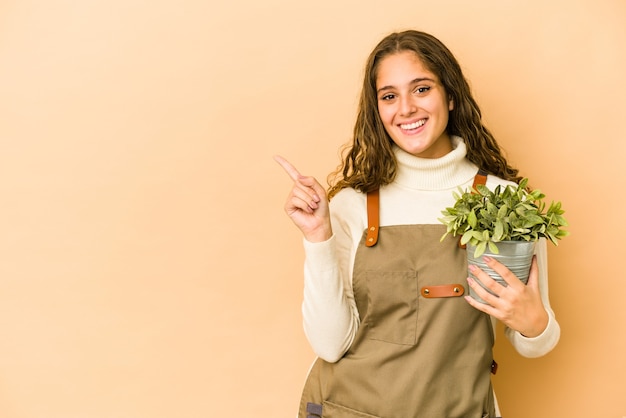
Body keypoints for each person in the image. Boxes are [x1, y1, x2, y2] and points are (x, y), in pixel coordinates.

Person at [275, 29, 560, 418]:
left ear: (451, 95)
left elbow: (535, 343)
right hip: (347, 407)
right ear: (377, 110)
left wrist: (533, 321)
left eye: (422, 89)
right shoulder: (351, 205)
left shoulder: (504, 204)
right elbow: (330, 345)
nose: (405, 108)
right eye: (389, 96)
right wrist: (318, 237)